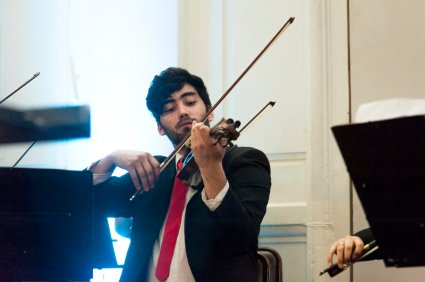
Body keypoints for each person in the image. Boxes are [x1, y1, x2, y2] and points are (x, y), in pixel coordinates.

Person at [90, 67, 271, 282]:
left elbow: (240, 240)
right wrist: (112, 158)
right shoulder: (155, 170)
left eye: (190, 102)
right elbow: (90, 201)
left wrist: (211, 168)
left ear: (210, 111)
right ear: (160, 127)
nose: (182, 111)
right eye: (169, 108)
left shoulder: (244, 161)